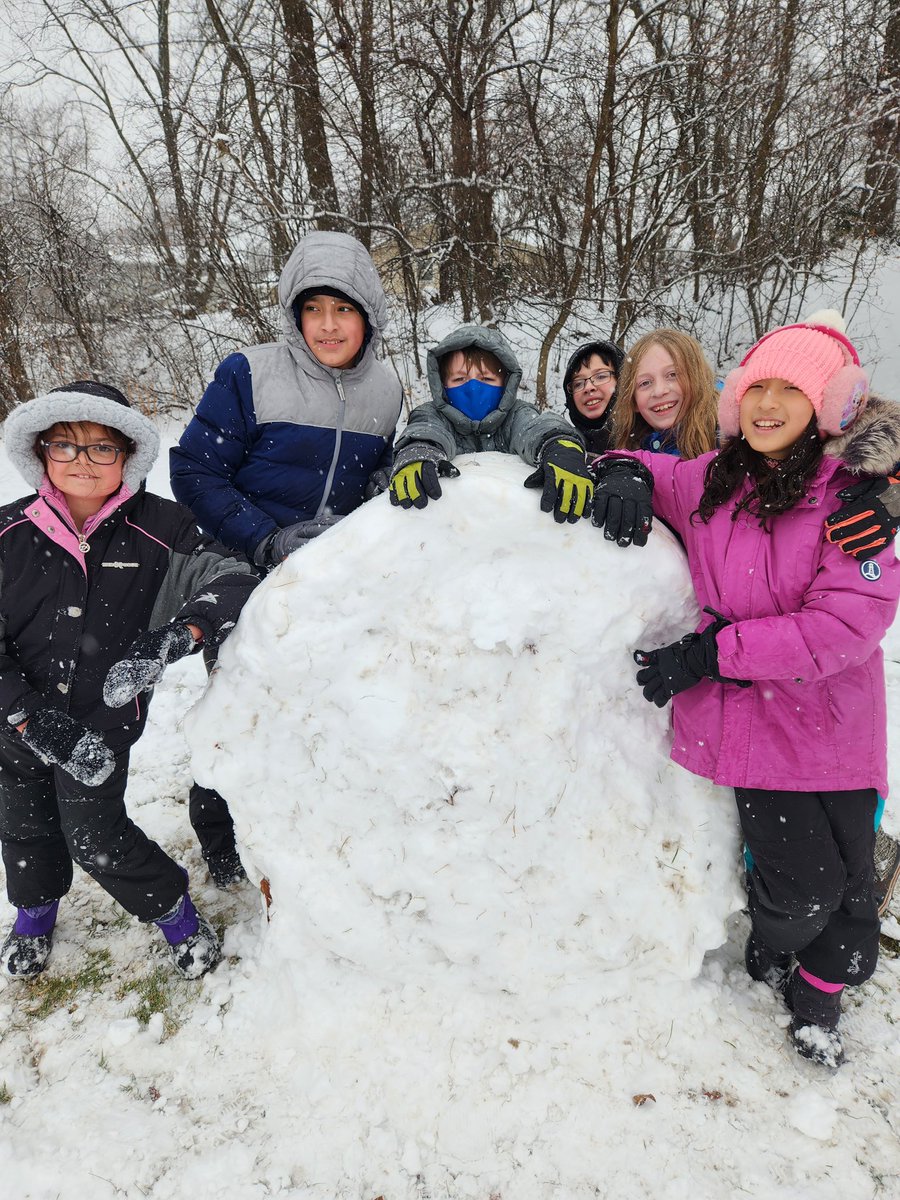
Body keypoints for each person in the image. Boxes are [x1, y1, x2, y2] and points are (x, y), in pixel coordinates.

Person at [592, 317, 900, 1066]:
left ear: (826, 404)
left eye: (789, 390)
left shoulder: (856, 500)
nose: (767, 404)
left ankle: (819, 996)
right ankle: (773, 947)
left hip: (835, 721)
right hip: (759, 731)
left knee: (856, 884)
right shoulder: (715, 479)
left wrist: (709, 655)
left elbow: (842, 627)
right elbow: (639, 462)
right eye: (755, 386)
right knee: (801, 889)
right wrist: (619, 469)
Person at [0, 381, 258, 981]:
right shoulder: (8, 534)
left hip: (103, 723)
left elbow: (233, 576)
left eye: (101, 448)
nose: (83, 462)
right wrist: (27, 716)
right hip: (15, 724)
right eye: (65, 445)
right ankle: (35, 911)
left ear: (127, 455)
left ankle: (176, 915)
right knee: (23, 824)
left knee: (95, 834)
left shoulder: (162, 526)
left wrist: (182, 634)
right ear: (40, 451)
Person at [170, 231, 402, 886]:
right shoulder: (250, 373)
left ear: (368, 316)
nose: (328, 326)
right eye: (313, 309)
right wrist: (265, 539)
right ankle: (221, 844)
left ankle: (301, 825)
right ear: (294, 314)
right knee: (239, 706)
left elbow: (373, 478)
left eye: (343, 309)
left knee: (316, 709)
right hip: (242, 563)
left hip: (325, 577)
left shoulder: (385, 392)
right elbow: (194, 472)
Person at [390, 324, 594, 522]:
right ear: (443, 385)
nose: (473, 388)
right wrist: (419, 450)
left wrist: (560, 446)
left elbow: (536, 426)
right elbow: (426, 429)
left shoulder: (515, 414)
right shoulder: (434, 414)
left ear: (505, 384)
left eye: (487, 379)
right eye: (460, 379)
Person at [609, 328, 719, 457]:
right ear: (633, 401)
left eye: (673, 375)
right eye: (645, 383)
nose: (659, 391)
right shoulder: (632, 450)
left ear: (697, 379)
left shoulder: (730, 439)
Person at [562, 339, 624, 454]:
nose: (588, 387)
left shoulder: (653, 440)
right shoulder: (569, 446)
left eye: (601, 376)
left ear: (622, 381)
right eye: (578, 383)